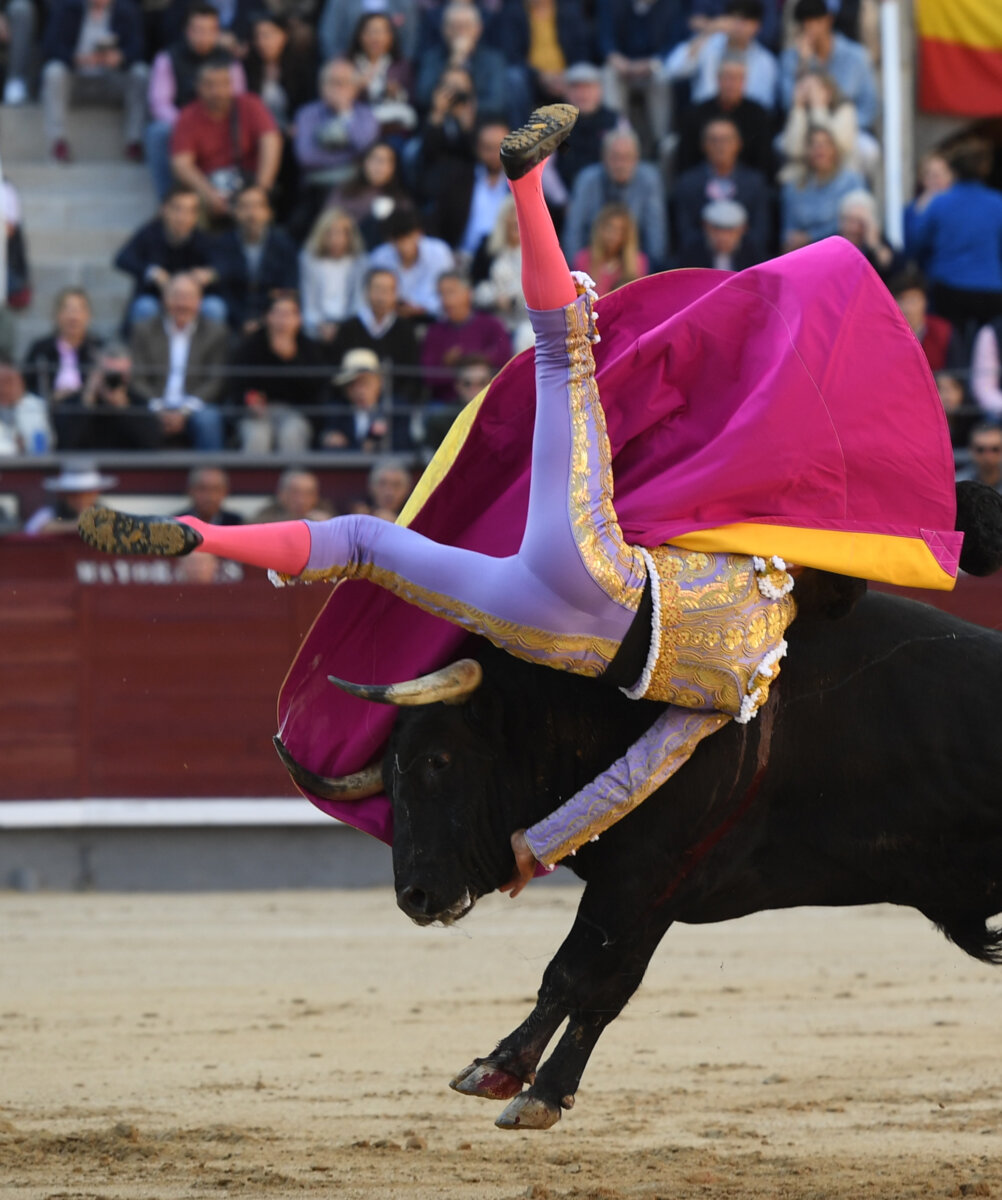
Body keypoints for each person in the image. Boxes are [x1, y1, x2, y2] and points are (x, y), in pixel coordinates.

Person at [80, 105, 968, 890]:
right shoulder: (743, 683)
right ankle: (200, 536)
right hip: (549, 619)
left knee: (561, 351)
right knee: (364, 540)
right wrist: (531, 853)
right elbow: (634, 778)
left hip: (590, 562)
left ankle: (202, 531)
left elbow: (703, 486)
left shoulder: (754, 576)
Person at [145, 3, 246, 199]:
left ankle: (240, 198)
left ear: (218, 32)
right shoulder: (168, 57)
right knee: (157, 132)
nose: (203, 36)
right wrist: (189, 125)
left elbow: (238, 100)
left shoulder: (229, 60)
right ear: (187, 31)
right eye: (198, 30)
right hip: (182, 126)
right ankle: (170, 202)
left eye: (210, 30)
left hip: (221, 124)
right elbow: (159, 104)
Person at [170, 60, 281, 222]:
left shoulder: (250, 104)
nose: (217, 91)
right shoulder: (188, 116)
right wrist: (209, 194)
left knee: (260, 211)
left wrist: (261, 190)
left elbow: (271, 142)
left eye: (224, 84)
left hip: (249, 184)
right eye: (210, 85)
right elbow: (181, 164)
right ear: (198, 87)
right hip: (207, 187)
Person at [128, 272, 230, 449]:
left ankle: (210, 475)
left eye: (189, 297)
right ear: (163, 300)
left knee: (209, 419)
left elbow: (215, 381)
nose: (182, 304)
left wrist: (184, 412)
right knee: (133, 416)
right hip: (155, 403)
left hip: (194, 406)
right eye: (176, 296)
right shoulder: (144, 330)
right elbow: (137, 378)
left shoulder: (216, 333)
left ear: (199, 301)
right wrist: (160, 409)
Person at [40, 0, 148, 162]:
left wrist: (121, 57)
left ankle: (134, 141)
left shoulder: (126, 11)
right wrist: (75, 59)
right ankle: (58, 142)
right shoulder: (67, 8)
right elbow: (49, 46)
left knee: (141, 73)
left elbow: (140, 47)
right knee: (53, 71)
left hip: (110, 79)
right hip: (75, 78)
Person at [228, 290, 328, 452]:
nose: (283, 320)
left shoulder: (309, 348)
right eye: (278, 314)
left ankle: (293, 477)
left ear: (299, 320)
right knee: (257, 436)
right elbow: (237, 386)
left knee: (292, 434)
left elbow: (317, 391)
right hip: (256, 416)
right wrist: (250, 400)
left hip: (296, 414)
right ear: (267, 317)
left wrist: (292, 359)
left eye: (289, 314)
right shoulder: (250, 346)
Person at [114, 184, 224, 327]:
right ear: (164, 209)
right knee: (145, 307)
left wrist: (210, 274)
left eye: (191, 211)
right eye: (177, 209)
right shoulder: (150, 234)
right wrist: (151, 272)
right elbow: (122, 259)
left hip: (192, 304)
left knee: (214, 307)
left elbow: (226, 265)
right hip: (157, 299)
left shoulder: (203, 239)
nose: (183, 217)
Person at [563, 126, 667, 269]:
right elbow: (573, 232)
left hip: (635, 264)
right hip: (592, 264)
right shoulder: (586, 180)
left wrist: (650, 274)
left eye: (627, 157)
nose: (620, 164)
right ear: (604, 157)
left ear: (637, 158)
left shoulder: (649, 179)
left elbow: (655, 234)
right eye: (615, 157)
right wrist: (576, 274)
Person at [208, 184, 299, 332]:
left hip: (273, 321)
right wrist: (243, 321)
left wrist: (263, 320)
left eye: (258, 206)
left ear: (269, 212)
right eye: (245, 206)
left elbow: (288, 289)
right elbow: (222, 289)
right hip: (232, 322)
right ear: (234, 211)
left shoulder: (284, 245)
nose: (252, 213)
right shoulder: (222, 245)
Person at [672, 116, 771, 252]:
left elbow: (761, 231)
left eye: (726, 140)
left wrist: (733, 241)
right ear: (703, 145)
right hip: (701, 260)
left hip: (745, 260)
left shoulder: (754, 183)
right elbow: (685, 232)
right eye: (714, 140)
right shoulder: (688, 183)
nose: (720, 146)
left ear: (738, 144)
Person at [328, 266, 422, 403]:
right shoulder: (348, 328)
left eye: (387, 290)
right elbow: (336, 371)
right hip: (351, 403)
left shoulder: (405, 330)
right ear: (366, 291)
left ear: (395, 294)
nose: (381, 296)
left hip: (394, 403)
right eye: (377, 289)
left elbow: (412, 375)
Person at [665, 0, 778, 112]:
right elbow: (672, 70)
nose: (738, 26)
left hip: (745, 122)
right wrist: (708, 31)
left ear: (757, 26)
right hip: (703, 119)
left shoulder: (766, 62)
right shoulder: (709, 44)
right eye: (734, 19)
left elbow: (765, 106)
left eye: (745, 20)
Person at [420, 271, 512, 402]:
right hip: (447, 402)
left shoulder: (492, 324)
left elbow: (505, 361)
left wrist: (473, 359)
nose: (445, 299)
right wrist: (447, 365)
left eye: (450, 292)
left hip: (488, 399)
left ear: (468, 293)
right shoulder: (434, 331)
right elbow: (427, 376)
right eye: (441, 294)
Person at [780, 124, 865, 251]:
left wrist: (811, 237)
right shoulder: (793, 187)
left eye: (825, 143)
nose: (819, 148)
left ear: (835, 149)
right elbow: (788, 232)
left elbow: (856, 225)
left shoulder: (851, 182)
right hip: (805, 255)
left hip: (842, 252)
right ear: (806, 151)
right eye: (813, 144)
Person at [367, 205, 455, 319]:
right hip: (391, 319)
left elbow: (449, 291)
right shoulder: (379, 257)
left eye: (408, 237)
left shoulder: (439, 252)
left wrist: (423, 309)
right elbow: (371, 295)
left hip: (432, 318)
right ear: (390, 240)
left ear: (419, 233)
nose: (404, 245)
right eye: (398, 240)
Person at [23, 286, 103, 406]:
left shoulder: (98, 349)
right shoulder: (40, 349)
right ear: (57, 315)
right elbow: (26, 385)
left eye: (78, 310)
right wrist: (52, 396)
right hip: (48, 409)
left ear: (88, 316)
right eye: (68, 310)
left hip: (87, 412)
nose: (73, 317)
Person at [323, 346, 410, 452]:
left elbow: (402, 445)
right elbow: (329, 446)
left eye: (365, 383)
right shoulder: (336, 410)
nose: (359, 391)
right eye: (352, 384)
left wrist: (369, 447)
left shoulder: (396, 408)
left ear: (379, 382)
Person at [299, 207, 366, 341]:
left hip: (349, 325)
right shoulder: (309, 260)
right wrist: (319, 325)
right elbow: (308, 299)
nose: (336, 239)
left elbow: (359, 301)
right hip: (317, 326)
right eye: (330, 233)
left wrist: (344, 327)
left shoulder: (360, 262)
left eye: (341, 233)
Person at [571, 202, 648, 297]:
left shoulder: (638, 263)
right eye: (610, 228)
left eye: (621, 230)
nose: (614, 235)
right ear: (600, 229)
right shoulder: (583, 259)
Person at [28, 460, 117, 534]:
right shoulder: (49, 513)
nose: (81, 500)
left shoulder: (106, 512)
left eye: (87, 494)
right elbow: (36, 529)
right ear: (64, 495)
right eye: (74, 495)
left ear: (95, 493)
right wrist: (77, 525)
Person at [677, 198, 764, 269]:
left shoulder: (754, 256)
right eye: (717, 230)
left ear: (743, 229)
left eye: (731, 231)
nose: (723, 237)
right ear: (705, 227)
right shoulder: (691, 255)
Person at [0, 356, 53, 455]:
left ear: (21, 382)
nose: (4, 388)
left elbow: (47, 442)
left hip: (31, 464)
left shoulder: (35, 405)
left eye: (9, 381)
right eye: (1, 382)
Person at [253, 466, 331, 521]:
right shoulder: (267, 515)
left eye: (309, 493)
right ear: (281, 494)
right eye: (295, 493)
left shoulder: (326, 512)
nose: (301, 500)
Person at [177, 465, 243, 524]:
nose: (209, 496)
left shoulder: (236, 523)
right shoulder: (177, 523)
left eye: (216, 489)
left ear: (225, 492)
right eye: (202, 489)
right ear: (190, 491)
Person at [956, 422, 1002, 493]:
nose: (988, 457)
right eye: (980, 450)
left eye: (995, 449)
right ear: (970, 450)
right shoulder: (958, 485)